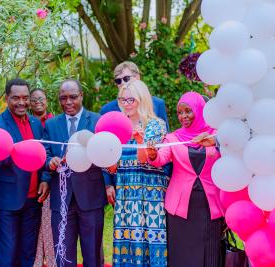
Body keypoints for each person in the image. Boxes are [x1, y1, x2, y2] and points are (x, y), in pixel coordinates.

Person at [146, 92, 223, 267]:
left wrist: (216, 142)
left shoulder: (216, 135)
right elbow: (161, 158)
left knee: (209, 252)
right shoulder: (172, 138)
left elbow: (231, 150)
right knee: (182, 252)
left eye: (188, 111)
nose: (183, 116)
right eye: (180, 112)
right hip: (181, 207)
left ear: (200, 110)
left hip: (210, 203)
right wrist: (153, 154)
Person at [43, 79, 107, 267]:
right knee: (63, 253)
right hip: (61, 198)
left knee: (93, 254)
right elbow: (46, 151)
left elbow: (107, 154)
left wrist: (109, 182)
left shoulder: (97, 120)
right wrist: (50, 162)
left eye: (73, 97)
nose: (68, 102)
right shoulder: (51, 124)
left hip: (91, 195)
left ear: (81, 96)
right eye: (63, 98)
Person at [105, 80, 168, 267]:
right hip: (125, 192)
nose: (126, 104)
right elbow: (112, 168)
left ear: (142, 99)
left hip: (150, 193)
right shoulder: (115, 126)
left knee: (151, 243)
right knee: (128, 244)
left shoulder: (156, 125)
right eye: (122, 100)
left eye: (131, 99)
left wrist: (140, 139)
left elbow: (145, 159)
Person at [0, 78, 49, 267]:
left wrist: (45, 178)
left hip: (33, 200)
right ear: (7, 98)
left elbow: (45, 153)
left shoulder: (36, 123)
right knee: (8, 254)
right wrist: (25, 153)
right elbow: (2, 158)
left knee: (28, 253)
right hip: (9, 201)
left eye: (25, 97)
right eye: (16, 98)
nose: (21, 102)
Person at [99, 61, 169, 130]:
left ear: (137, 77)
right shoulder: (107, 110)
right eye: (118, 81)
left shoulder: (157, 103)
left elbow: (166, 137)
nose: (122, 83)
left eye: (126, 78)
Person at [30, 88, 56, 267]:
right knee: (33, 227)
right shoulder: (28, 123)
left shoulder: (54, 122)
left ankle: (52, 261)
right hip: (29, 180)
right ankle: (36, 261)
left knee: (48, 224)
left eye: (41, 98)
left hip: (50, 179)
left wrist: (46, 177)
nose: (38, 101)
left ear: (47, 100)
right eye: (34, 99)